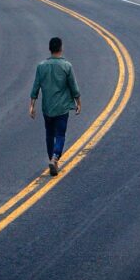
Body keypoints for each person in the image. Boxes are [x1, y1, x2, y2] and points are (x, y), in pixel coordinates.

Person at [29, 36, 81, 176]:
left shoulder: (41, 67)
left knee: (49, 134)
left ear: (50, 49)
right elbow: (73, 86)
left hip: (47, 108)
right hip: (62, 108)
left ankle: (52, 159)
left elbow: (36, 87)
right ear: (61, 48)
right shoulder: (66, 66)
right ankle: (55, 157)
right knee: (60, 134)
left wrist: (32, 106)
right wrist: (78, 102)